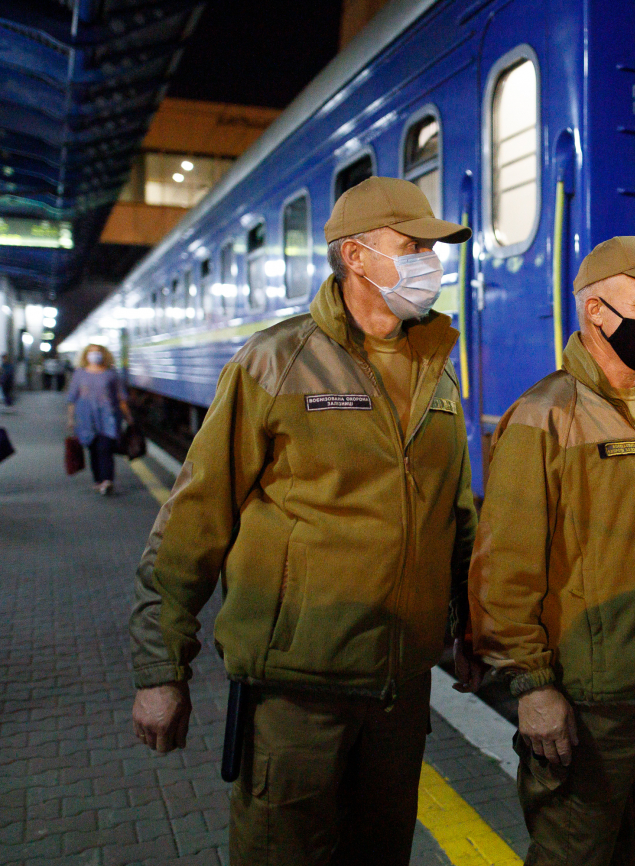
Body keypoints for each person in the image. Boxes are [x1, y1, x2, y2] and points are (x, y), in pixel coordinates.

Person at [128, 176, 479, 865]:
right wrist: (160, 669)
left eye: (432, 250)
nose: (430, 264)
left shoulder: (437, 369)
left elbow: (453, 515)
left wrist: (471, 623)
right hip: (298, 691)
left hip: (401, 689)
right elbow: (194, 520)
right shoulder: (274, 362)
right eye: (413, 247)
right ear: (354, 257)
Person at [469, 236, 635, 866]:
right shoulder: (544, 415)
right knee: (574, 854)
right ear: (597, 314)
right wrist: (532, 687)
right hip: (591, 700)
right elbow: (505, 568)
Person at [66, 344, 132, 495]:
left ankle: (107, 480)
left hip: (108, 418)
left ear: (104, 355)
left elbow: (121, 397)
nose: (94, 355)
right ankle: (97, 480)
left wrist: (128, 417)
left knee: (105, 448)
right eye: (91, 352)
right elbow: (72, 398)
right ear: (86, 355)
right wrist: (70, 419)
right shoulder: (79, 374)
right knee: (93, 449)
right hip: (86, 419)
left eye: (97, 352)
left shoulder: (111, 374)